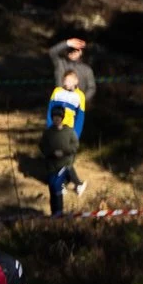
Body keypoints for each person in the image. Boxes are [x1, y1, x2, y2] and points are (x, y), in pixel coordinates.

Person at [43, 69, 85, 214]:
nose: (66, 83)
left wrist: (76, 134)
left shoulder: (80, 96)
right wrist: (49, 129)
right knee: (55, 158)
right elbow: (50, 111)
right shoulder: (57, 92)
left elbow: (80, 117)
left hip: (69, 132)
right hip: (55, 131)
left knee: (66, 160)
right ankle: (64, 184)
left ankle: (76, 183)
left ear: (76, 81)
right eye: (64, 80)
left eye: (68, 80)